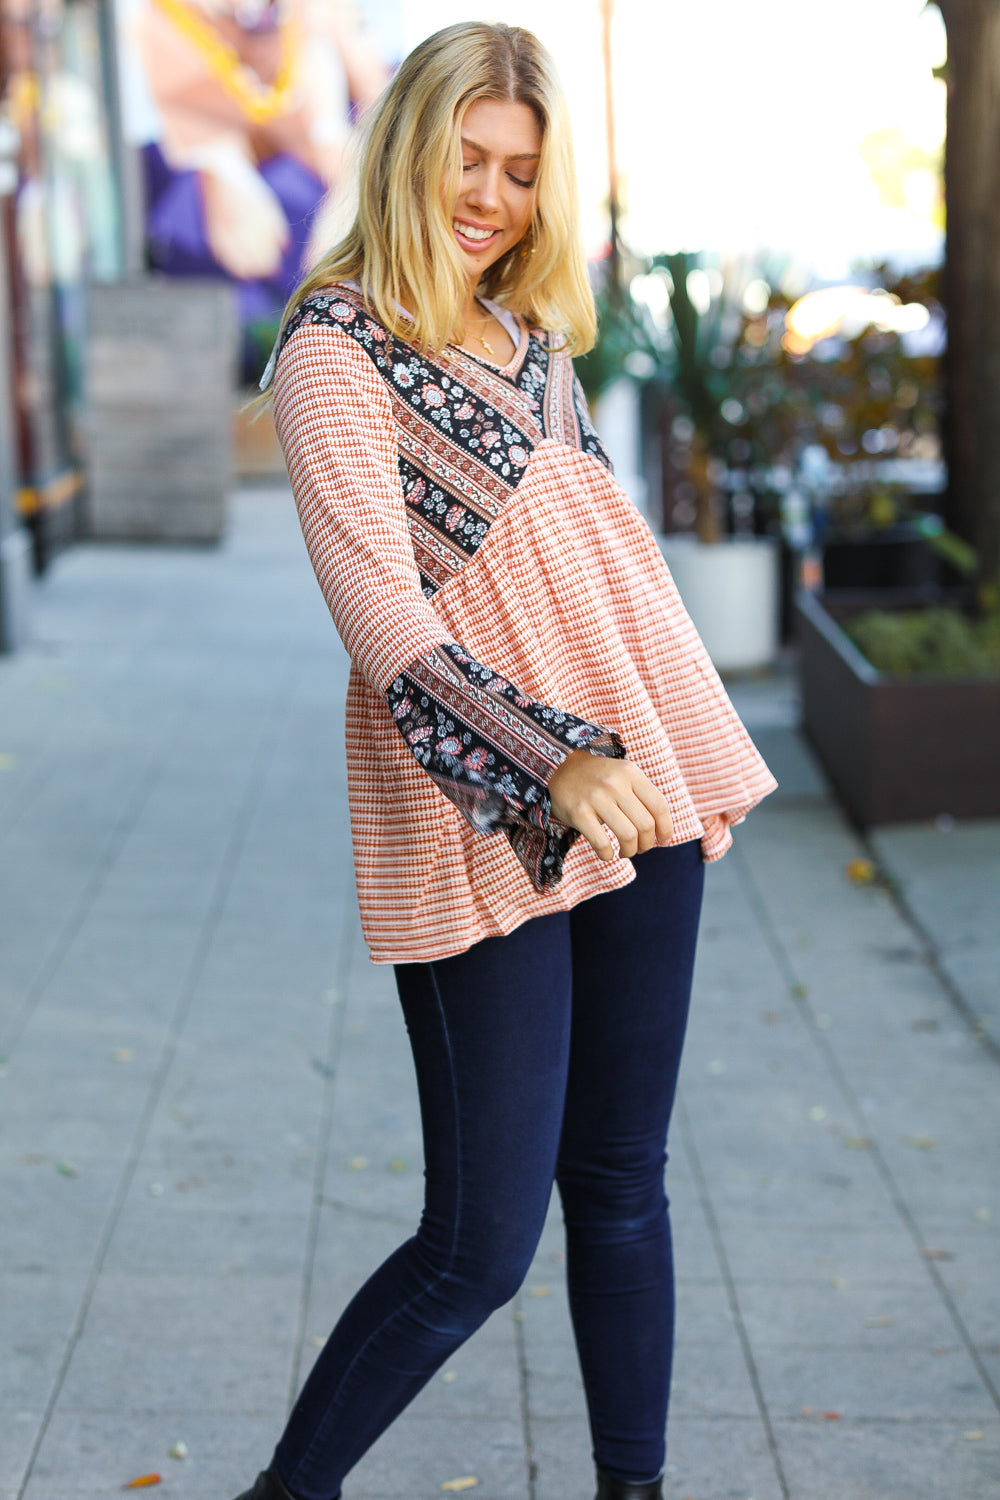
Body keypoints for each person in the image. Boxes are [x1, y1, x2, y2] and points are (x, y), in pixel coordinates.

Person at [237, 21, 775, 1500]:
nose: (489, 195)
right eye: (467, 159)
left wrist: (634, 751)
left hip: (643, 787)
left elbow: (584, 560)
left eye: (521, 172)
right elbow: (389, 629)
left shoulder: (531, 340)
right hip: (489, 813)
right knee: (479, 1243)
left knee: (620, 1184)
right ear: (410, 150)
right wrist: (555, 765)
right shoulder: (334, 353)